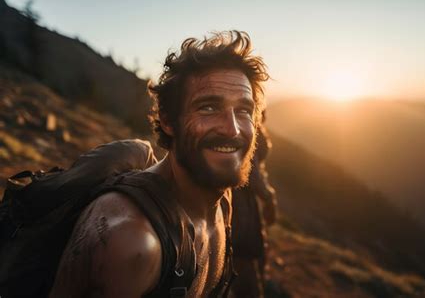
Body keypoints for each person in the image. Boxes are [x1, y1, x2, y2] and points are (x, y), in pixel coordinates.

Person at [48, 30, 269, 298]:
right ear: (167, 120)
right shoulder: (131, 242)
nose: (232, 129)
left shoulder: (222, 200)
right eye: (209, 107)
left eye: (244, 110)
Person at [230, 116, 277, 298]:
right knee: (245, 262)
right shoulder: (246, 130)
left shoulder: (248, 127)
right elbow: (252, 172)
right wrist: (268, 197)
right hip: (240, 202)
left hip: (242, 200)